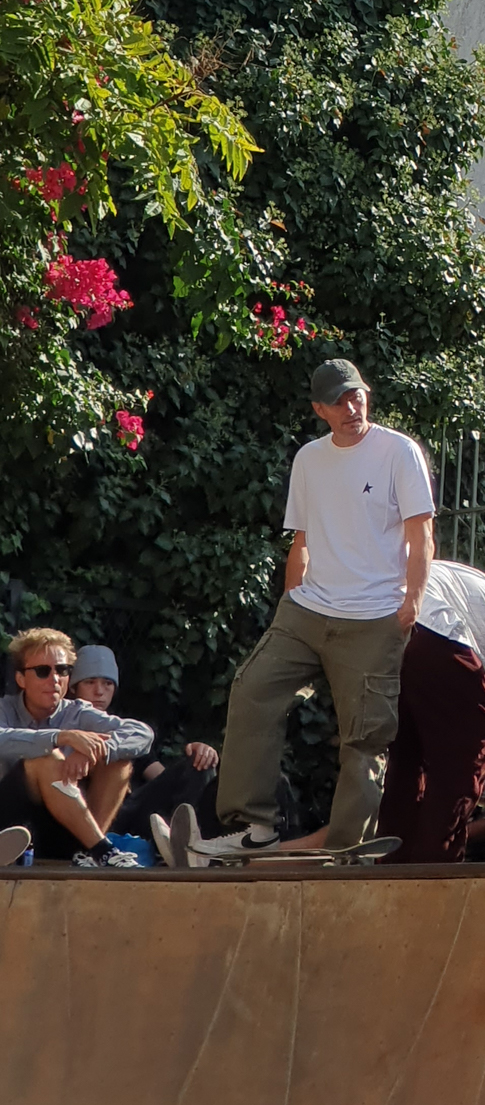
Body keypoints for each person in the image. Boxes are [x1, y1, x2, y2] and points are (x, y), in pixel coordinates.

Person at [197, 358, 436, 859]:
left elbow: (421, 534)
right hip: (307, 612)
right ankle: (254, 826)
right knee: (253, 689)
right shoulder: (309, 459)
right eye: (340, 401)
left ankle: (348, 847)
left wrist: (411, 602)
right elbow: (301, 540)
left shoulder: (398, 452)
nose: (353, 408)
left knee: (364, 738)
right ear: (319, 409)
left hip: (374, 617)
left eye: (358, 396)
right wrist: (290, 600)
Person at [377, 558, 485, 863]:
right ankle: (433, 866)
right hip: (435, 632)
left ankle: (393, 863)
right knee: (473, 740)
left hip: (386, 627)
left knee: (409, 758)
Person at [0, 627, 151, 866]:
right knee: (47, 758)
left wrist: (94, 751)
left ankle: (92, 852)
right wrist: (61, 737)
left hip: (64, 826)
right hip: (9, 821)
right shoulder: (4, 708)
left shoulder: (78, 711)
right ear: (20, 679)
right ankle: (104, 850)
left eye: (62, 670)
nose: (54, 679)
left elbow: (141, 732)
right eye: (42, 671)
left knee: (118, 762)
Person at [70, 645, 222, 845]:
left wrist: (197, 761)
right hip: (84, 820)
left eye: (107, 683)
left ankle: (188, 846)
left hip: (133, 813)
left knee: (199, 763)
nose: (99, 691)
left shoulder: (126, 730)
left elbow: (160, 777)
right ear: (73, 688)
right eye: (90, 682)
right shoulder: (62, 725)